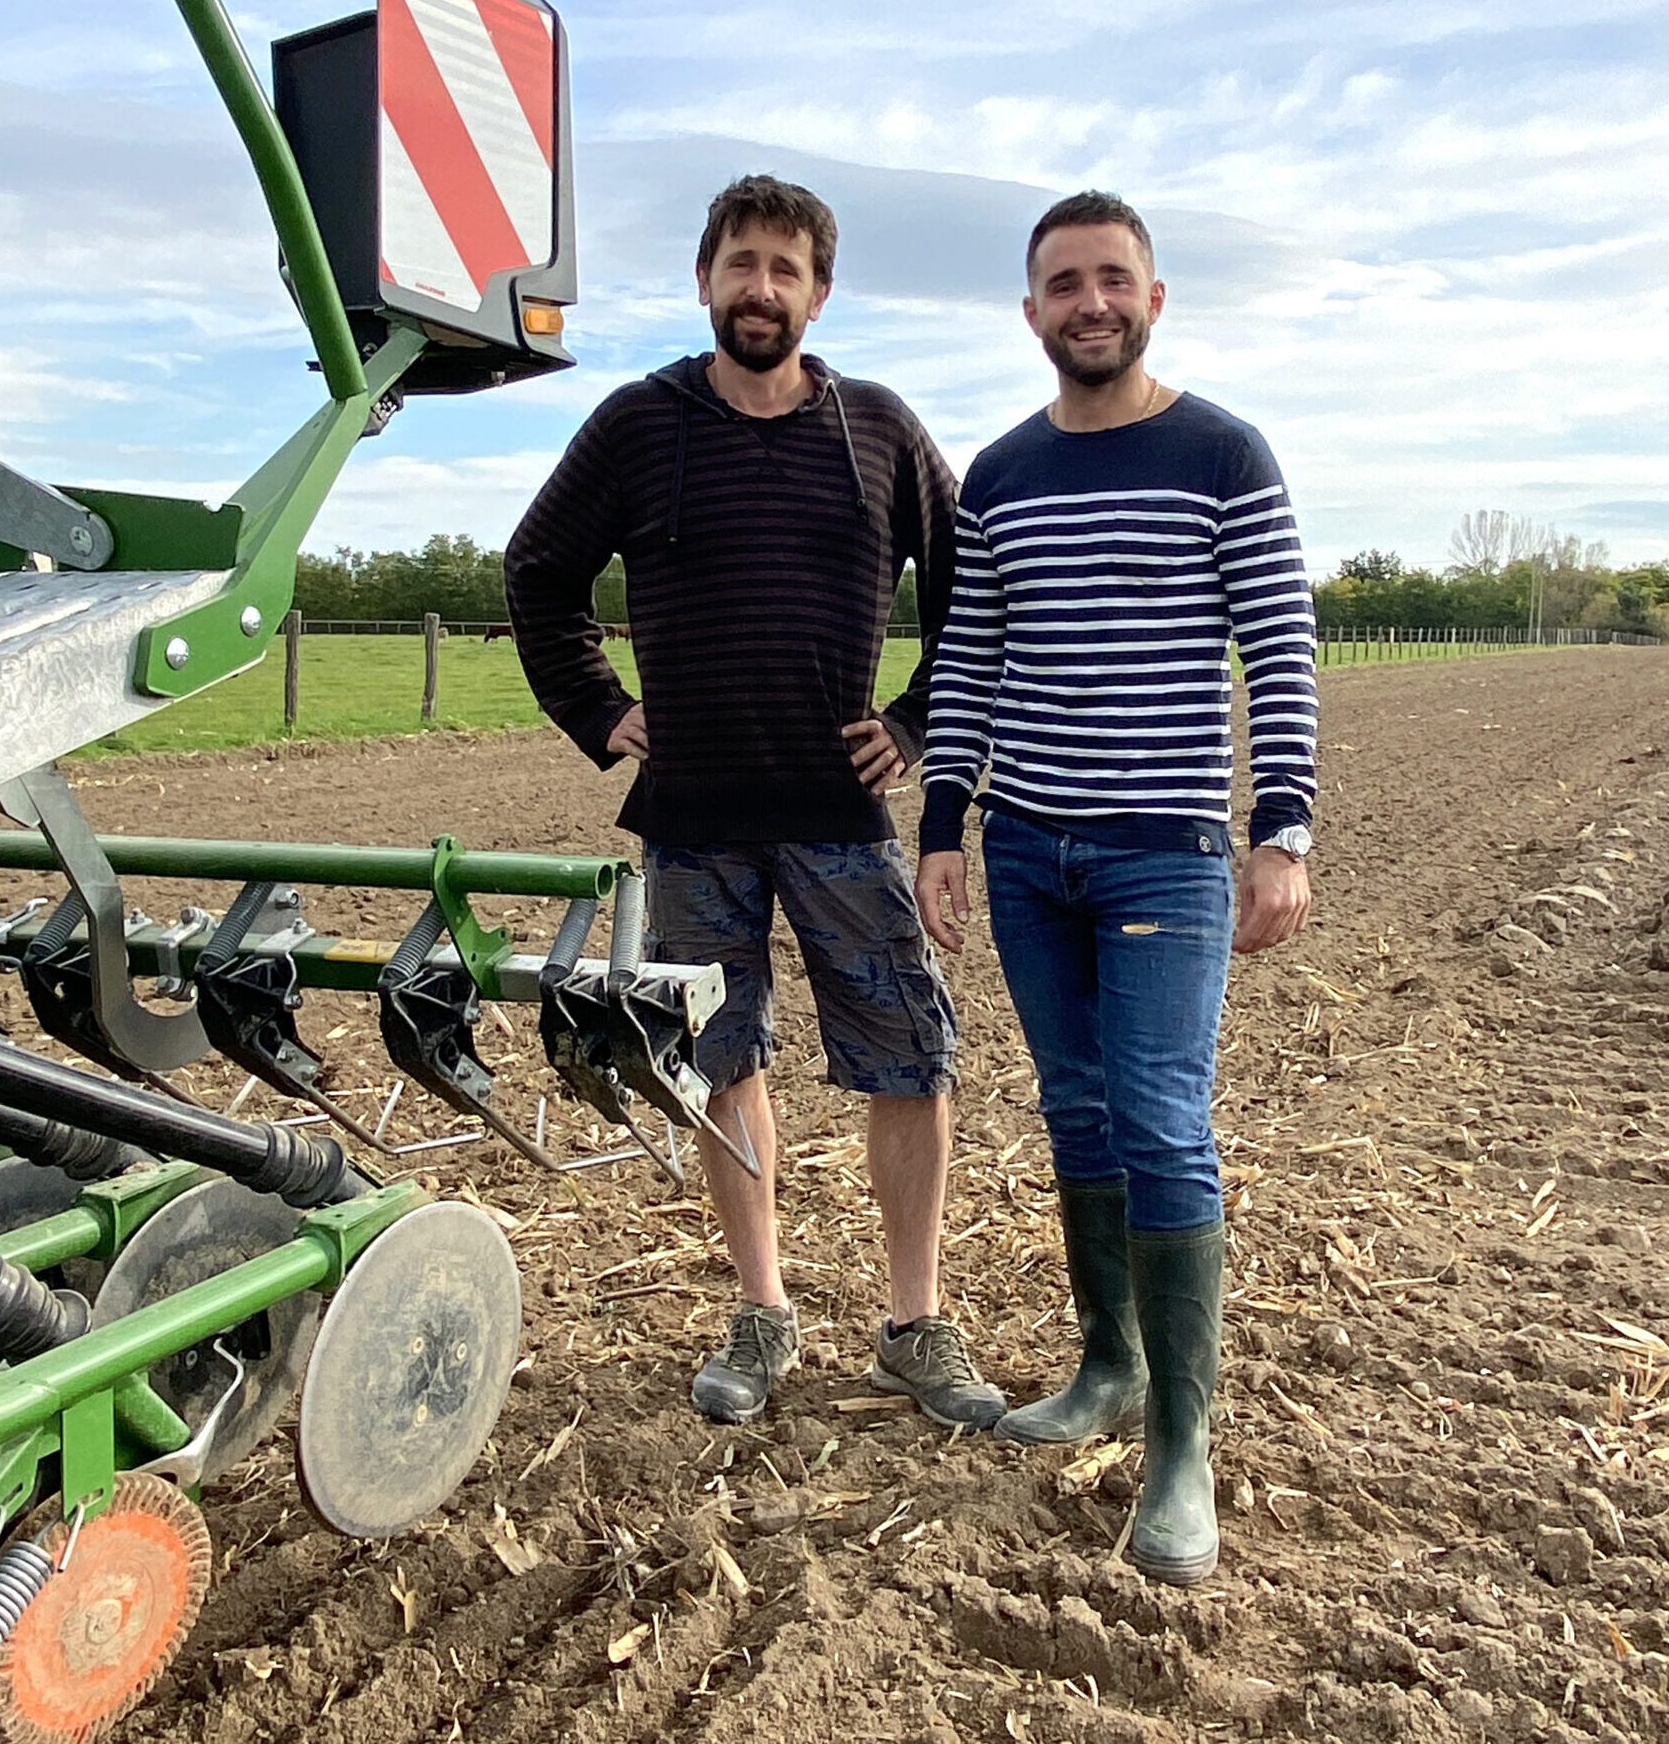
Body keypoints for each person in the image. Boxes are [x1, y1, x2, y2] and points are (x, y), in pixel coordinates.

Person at [506, 173, 1005, 1433]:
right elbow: (538, 567)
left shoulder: (881, 429)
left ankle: (912, 1321)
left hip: (841, 815)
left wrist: (907, 723)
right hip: (692, 819)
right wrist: (598, 706)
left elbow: (974, 594)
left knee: (909, 1052)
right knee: (721, 1056)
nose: (760, 288)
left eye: (786, 269)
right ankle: (762, 1306)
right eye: (741, 263)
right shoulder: (637, 422)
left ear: (818, 293)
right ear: (703, 278)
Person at [913, 190, 1317, 1583]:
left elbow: (1280, 649)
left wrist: (1286, 831)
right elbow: (969, 658)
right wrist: (944, 825)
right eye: (1062, 284)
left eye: (1112, 279)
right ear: (1031, 313)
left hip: (1163, 847)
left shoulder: (1221, 453)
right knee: (1073, 1104)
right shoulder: (1004, 475)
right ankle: (1106, 1362)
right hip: (1026, 847)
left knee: (1158, 1114)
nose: (1089, 302)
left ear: (1154, 298)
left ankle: (1182, 1446)